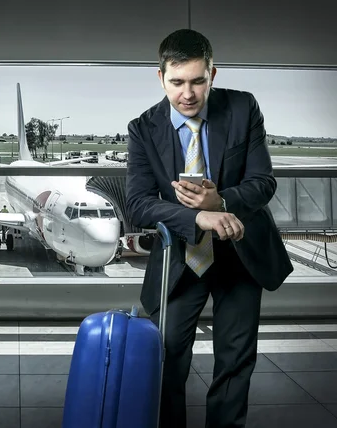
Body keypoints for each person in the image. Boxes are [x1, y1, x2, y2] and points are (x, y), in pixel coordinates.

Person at [125, 29, 293, 428]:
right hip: (181, 259)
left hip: (240, 254)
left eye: (198, 81)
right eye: (177, 82)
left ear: (213, 74)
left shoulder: (242, 108)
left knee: (235, 363)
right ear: (160, 77)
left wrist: (221, 202)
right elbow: (138, 204)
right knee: (165, 359)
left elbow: (263, 182)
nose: (188, 93)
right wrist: (198, 217)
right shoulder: (142, 129)